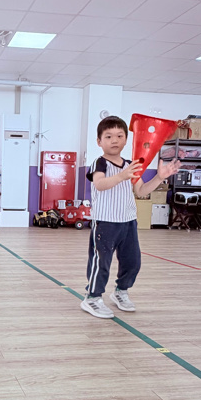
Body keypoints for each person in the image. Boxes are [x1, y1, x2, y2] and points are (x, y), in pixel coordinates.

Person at [81, 116, 180, 319]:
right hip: (106, 222)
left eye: (119, 136)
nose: (114, 140)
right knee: (101, 262)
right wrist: (122, 176)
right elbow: (99, 184)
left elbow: (141, 190)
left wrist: (159, 177)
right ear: (99, 141)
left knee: (132, 261)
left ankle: (121, 291)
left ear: (126, 140)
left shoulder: (131, 164)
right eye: (108, 136)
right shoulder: (99, 163)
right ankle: (92, 298)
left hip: (128, 222)